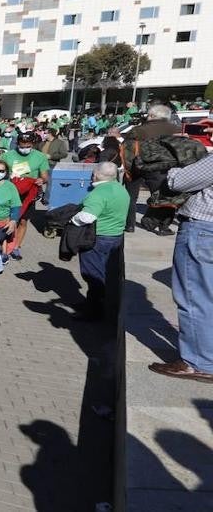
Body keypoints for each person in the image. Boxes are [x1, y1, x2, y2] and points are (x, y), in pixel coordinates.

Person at [151, 147, 213, 381]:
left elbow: (179, 181)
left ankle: (199, 362)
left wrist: (176, 168)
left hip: (204, 229)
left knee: (195, 296)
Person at [67, 162, 129, 322]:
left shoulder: (98, 193)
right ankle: (96, 304)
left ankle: (95, 310)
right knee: (107, 274)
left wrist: (72, 219)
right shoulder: (121, 189)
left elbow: (88, 216)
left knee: (93, 275)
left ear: (96, 174)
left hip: (97, 238)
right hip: (115, 237)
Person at [124, 104, 182, 235]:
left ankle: (129, 225)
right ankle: (163, 226)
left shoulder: (136, 129)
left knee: (130, 197)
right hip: (158, 168)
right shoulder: (171, 130)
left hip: (134, 166)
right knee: (165, 196)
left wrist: (128, 168)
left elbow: (125, 148)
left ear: (151, 116)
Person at [2, 131, 49, 259]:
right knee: (8, 219)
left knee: (23, 221)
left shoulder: (40, 157)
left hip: (28, 193)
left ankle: (17, 246)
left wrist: (42, 180)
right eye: (22, 146)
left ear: (32, 144)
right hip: (11, 191)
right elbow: (1, 171)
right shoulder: (8, 156)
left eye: (27, 146)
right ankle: (4, 247)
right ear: (17, 144)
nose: (24, 149)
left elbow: (45, 176)